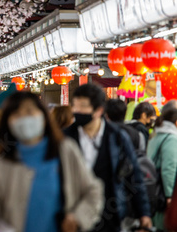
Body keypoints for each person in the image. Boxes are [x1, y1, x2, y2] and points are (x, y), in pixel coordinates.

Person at [0, 91, 104, 232]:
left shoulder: (65, 151)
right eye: (16, 113)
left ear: (44, 116)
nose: (24, 118)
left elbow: (93, 190)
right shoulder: (1, 160)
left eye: (30, 111)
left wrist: (78, 218)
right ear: (7, 121)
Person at [65, 83, 152, 232]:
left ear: (99, 110)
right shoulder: (65, 138)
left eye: (82, 106)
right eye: (74, 106)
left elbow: (134, 175)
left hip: (111, 214)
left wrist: (143, 213)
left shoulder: (118, 138)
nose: (76, 111)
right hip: (75, 215)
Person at [147, 106, 177, 231]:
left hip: (153, 189)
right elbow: (169, 169)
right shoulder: (171, 138)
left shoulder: (156, 135)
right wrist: (170, 196)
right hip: (163, 193)